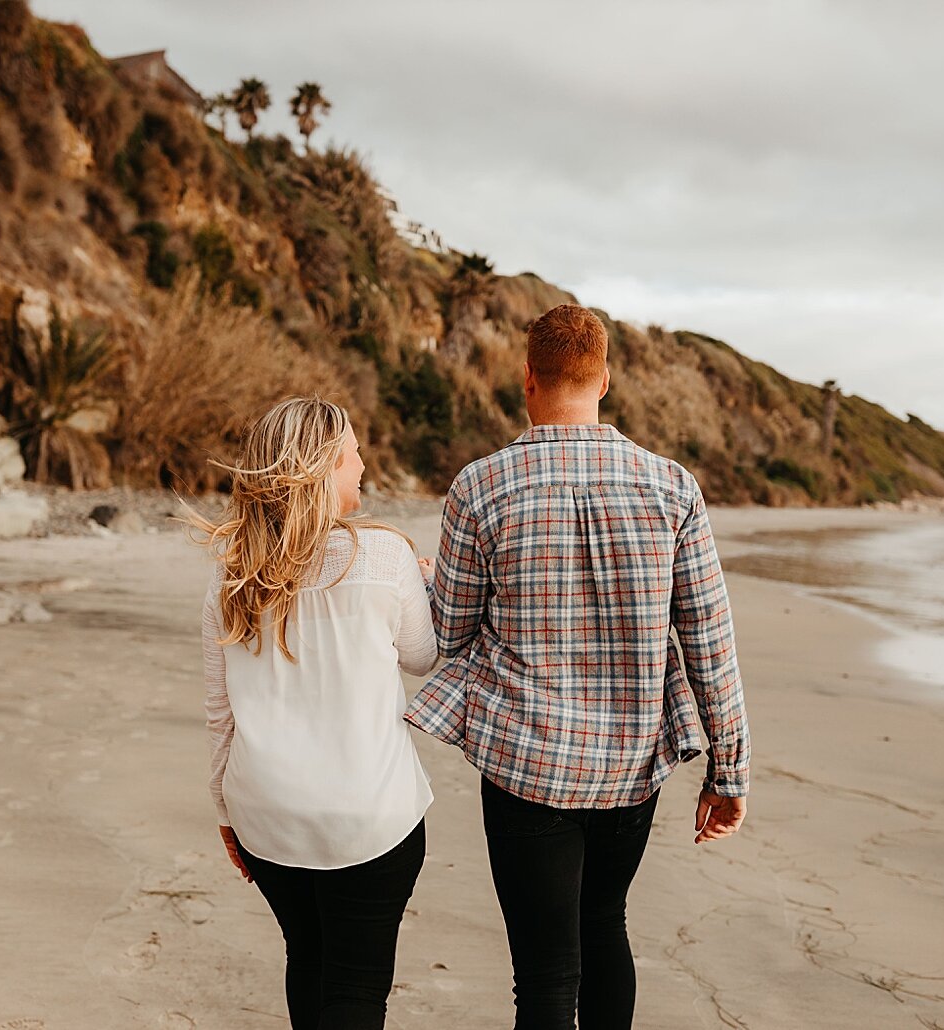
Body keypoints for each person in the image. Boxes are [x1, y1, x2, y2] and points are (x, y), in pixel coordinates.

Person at [405, 303, 751, 1029]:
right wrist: (729, 772)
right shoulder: (670, 486)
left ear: (526, 379)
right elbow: (708, 638)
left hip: (527, 759)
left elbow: (450, 632)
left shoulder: (480, 486)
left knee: (542, 971)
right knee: (605, 923)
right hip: (630, 762)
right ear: (604, 381)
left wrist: (431, 579)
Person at [192, 397, 437, 1030]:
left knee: (307, 959)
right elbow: (423, 656)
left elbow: (221, 717)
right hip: (368, 816)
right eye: (353, 450)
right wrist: (424, 585)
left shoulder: (232, 577)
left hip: (265, 814)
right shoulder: (383, 557)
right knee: (355, 990)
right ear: (325, 465)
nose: (363, 461)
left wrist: (226, 814)